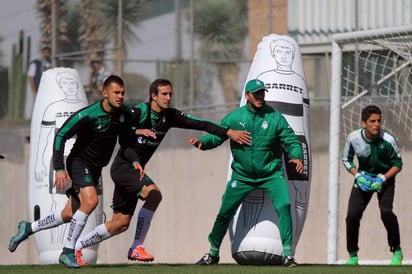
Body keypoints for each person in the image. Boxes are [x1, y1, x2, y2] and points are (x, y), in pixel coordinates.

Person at [73, 78, 251, 265]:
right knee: (154, 195)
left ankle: (79, 245)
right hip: (123, 167)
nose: (168, 98)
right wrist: (136, 132)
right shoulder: (138, 112)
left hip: (135, 171)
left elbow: (202, 124)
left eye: (170, 94)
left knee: (120, 223)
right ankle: (136, 247)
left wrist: (227, 132)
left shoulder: (170, 116)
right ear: (153, 96)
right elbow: (120, 134)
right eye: (164, 94)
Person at [8, 75, 140, 268]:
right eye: (116, 92)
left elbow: (126, 142)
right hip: (79, 162)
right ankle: (68, 252)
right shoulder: (89, 114)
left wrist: (135, 160)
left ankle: (28, 228)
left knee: (69, 212)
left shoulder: (124, 115)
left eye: (122, 93)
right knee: (91, 201)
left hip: (95, 167)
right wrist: (59, 168)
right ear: (105, 93)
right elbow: (61, 135)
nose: (120, 96)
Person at [186, 79, 304, 267]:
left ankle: (288, 254)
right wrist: (204, 143)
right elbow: (218, 134)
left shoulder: (275, 117)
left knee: (284, 205)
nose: (259, 96)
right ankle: (213, 253)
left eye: (262, 93)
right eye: (255, 93)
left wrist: (297, 156)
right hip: (242, 177)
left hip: (271, 174)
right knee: (224, 211)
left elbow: (290, 139)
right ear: (247, 96)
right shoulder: (235, 118)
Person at [342, 105, 403, 266]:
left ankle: (396, 250)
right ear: (364, 123)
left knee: (386, 212)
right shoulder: (353, 138)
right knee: (352, 216)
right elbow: (346, 160)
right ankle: (353, 255)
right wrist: (357, 175)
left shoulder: (388, 140)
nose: (376, 124)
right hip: (363, 179)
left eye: (379, 121)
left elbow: (398, 164)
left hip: (385, 180)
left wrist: (382, 179)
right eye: (372, 121)